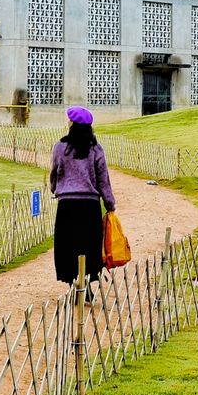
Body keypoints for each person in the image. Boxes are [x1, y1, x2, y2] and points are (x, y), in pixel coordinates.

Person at [50, 105, 116, 299]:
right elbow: (103, 179)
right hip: (89, 205)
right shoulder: (96, 148)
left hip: (67, 205)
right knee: (88, 245)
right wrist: (110, 202)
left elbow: (55, 173)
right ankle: (85, 285)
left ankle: (73, 284)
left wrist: (55, 188)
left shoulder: (60, 147)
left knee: (68, 245)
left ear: (72, 123)